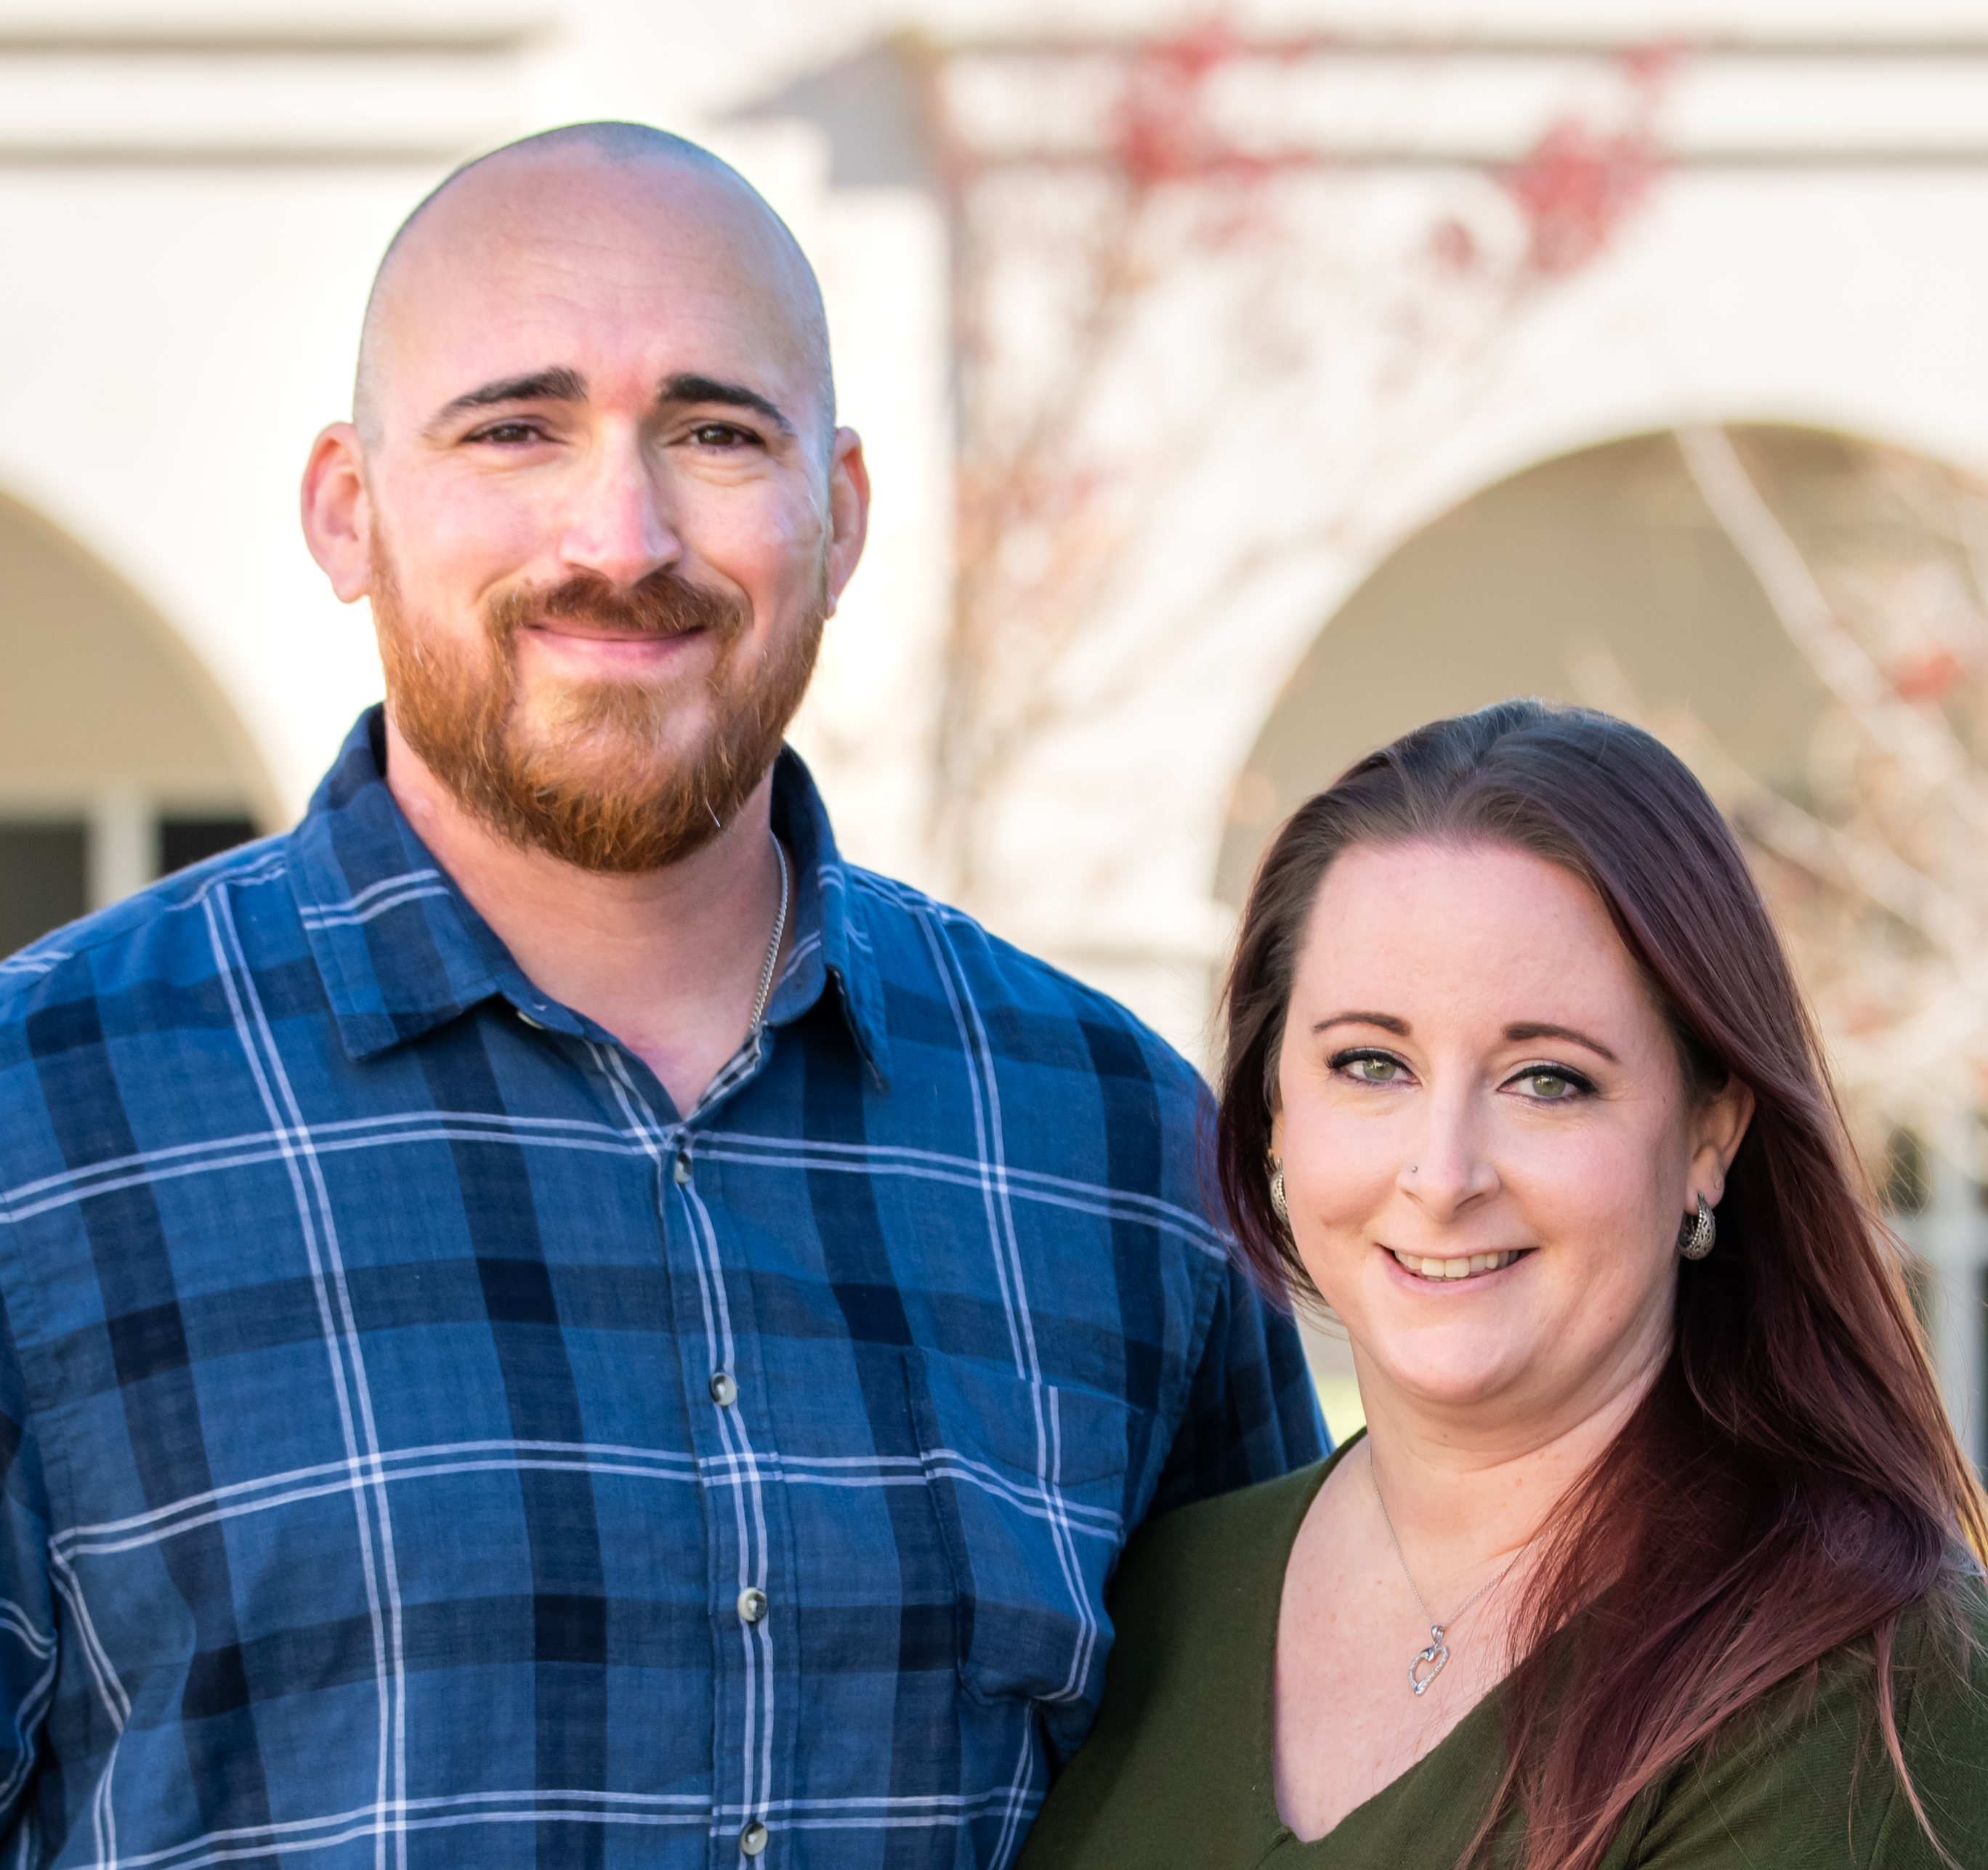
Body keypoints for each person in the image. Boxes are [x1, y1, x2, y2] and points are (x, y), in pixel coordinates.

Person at [0, 124, 1323, 1866]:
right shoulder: (39, 1121)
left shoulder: (1110, 1145)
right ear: (349, 508)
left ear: (838, 518)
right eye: (515, 429)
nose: (619, 536)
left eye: (713, 431)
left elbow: (1279, 1805)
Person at [1019, 700, 1988, 1869]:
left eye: (1548, 1079)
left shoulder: (1864, 1681)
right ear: (1274, 1112)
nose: (1443, 1174)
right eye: (1370, 1063)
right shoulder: (1157, 1590)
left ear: (1708, 1136)